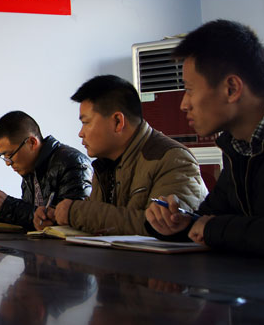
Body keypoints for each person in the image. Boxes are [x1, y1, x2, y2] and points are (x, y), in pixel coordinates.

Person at [145, 20, 264, 256]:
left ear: (232, 88)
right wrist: (178, 223)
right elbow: (210, 217)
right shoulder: (237, 145)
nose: (183, 104)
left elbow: (214, 227)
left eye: (189, 89)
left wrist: (215, 229)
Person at [35, 75, 206, 235]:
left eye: (86, 122)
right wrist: (56, 219)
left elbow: (166, 227)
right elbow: (99, 217)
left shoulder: (172, 159)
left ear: (118, 122)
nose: (81, 133)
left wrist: (75, 213)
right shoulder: (106, 163)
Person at [0, 111, 92, 230]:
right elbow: (31, 219)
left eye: (10, 155)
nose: (8, 163)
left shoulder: (73, 163)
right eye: (4, 157)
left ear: (32, 142)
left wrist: (7, 206)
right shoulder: (31, 169)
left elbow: (69, 223)